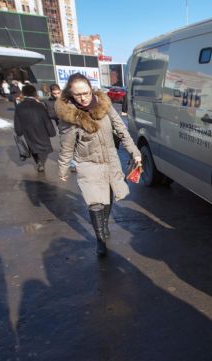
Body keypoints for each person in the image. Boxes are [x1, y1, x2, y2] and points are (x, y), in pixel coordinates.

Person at [56, 73, 141, 257]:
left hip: (110, 161)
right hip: (87, 163)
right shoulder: (69, 116)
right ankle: (100, 238)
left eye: (86, 93)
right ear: (70, 95)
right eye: (77, 95)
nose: (83, 98)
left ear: (91, 89)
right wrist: (63, 168)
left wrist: (135, 153)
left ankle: (103, 224)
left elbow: (121, 130)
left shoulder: (104, 104)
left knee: (107, 198)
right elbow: (66, 146)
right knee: (95, 202)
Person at [13, 84, 56, 172]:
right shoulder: (39, 106)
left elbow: (17, 121)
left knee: (33, 148)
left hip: (28, 131)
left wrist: (19, 132)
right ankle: (41, 162)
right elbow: (46, 120)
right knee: (43, 149)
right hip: (41, 131)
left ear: (24, 93)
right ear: (34, 93)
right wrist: (51, 132)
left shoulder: (19, 107)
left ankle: (38, 162)